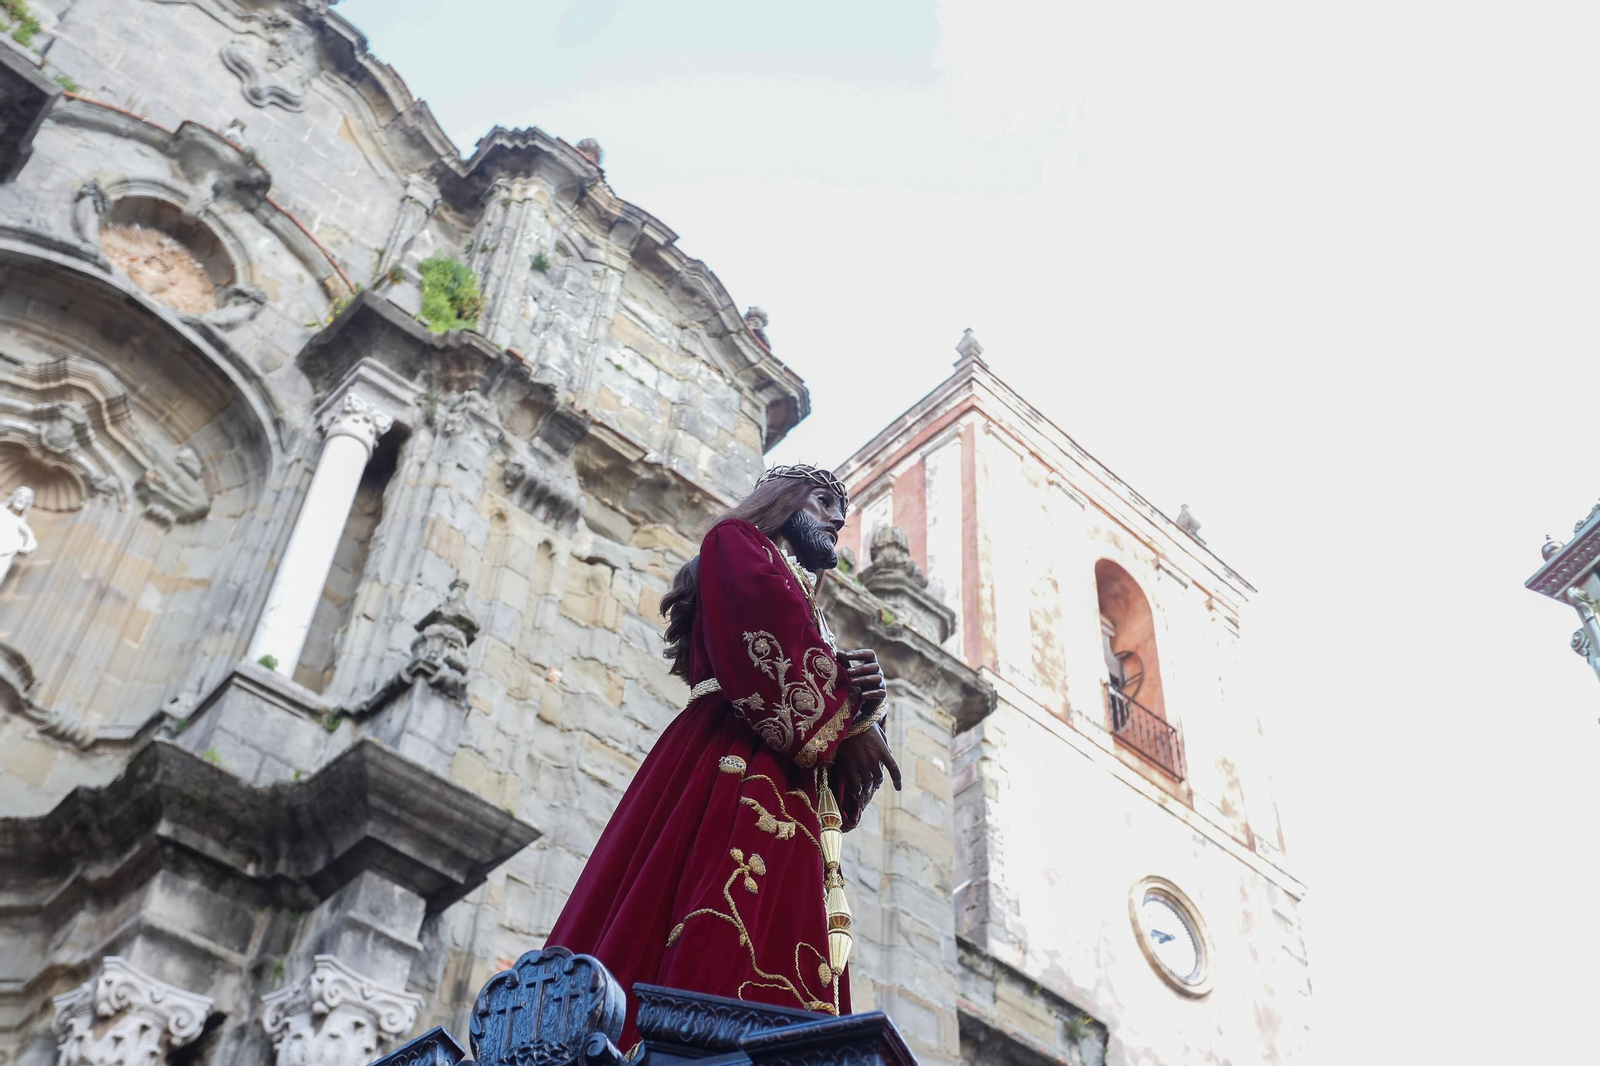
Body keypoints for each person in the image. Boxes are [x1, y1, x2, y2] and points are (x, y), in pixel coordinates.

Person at [546, 465, 902, 1047]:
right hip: (732, 757)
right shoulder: (735, 543)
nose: (839, 518)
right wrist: (851, 712)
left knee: (787, 924)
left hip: (789, 783)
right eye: (822, 501)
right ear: (783, 502)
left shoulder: (809, 602)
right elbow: (765, 636)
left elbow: (826, 712)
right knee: (712, 899)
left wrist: (866, 708)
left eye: (840, 507)